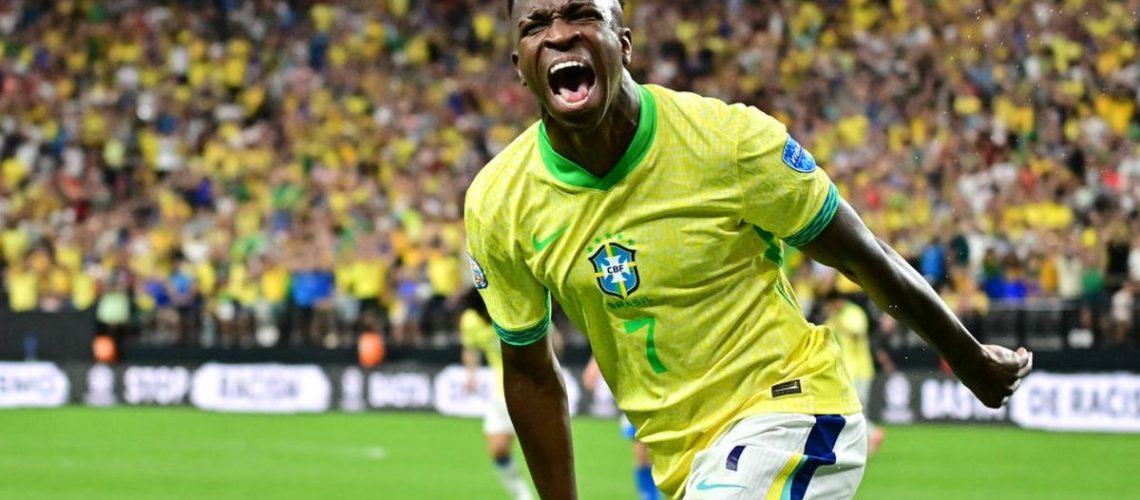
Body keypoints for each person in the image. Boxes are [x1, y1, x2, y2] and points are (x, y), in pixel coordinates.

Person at [463, 1, 1034, 498]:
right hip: (688, 461)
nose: (560, 34)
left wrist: (968, 359)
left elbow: (861, 254)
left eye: (584, 14)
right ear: (520, 65)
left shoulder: (727, 142)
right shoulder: (498, 203)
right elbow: (531, 371)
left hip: (791, 407)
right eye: (536, 25)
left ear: (624, 44)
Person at [460, 288, 535, 500]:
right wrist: (471, 375)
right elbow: (469, 348)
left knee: (540, 450)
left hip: (531, 389)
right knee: (498, 449)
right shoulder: (470, 320)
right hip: (501, 391)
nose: (481, 319)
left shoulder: (511, 309)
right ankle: (522, 496)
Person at [582, 356, 660, 500]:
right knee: (641, 447)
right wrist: (595, 361)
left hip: (663, 377)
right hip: (639, 383)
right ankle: (649, 496)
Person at [822, 291, 884, 455]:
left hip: (860, 370)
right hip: (846, 370)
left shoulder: (854, 312)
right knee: (850, 408)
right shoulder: (837, 316)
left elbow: (858, 334)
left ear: (836, 301)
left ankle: (872, 434)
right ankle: (869, 436)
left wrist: (839, 322)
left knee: (856, 408)